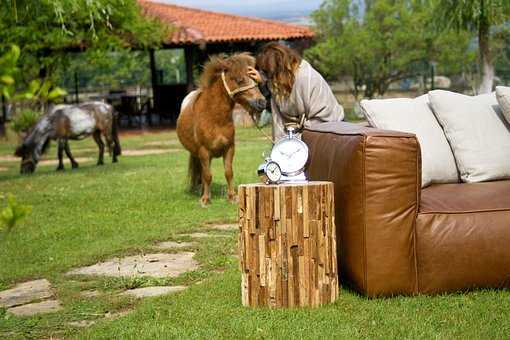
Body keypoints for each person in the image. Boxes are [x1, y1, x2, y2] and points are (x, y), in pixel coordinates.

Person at [248, 42, 344, 140]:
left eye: (268, 73)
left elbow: (323, 119)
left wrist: (297, 139)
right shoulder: (282, 82)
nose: (269, 78)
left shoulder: (306, 78)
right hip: (297, 137)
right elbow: (277, 107)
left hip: (330, 136)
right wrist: (262, 83)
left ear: (280, 68)